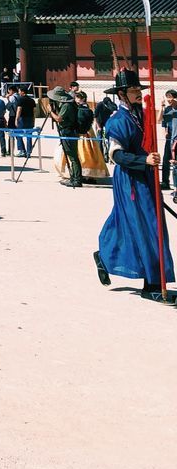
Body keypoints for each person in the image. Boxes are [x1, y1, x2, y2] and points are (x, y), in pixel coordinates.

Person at [94, 69, 174, 302]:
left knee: (140, 225)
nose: (139, 93)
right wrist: (143, 160)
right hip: (129, 179)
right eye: (134, 90)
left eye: (139, 89)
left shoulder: (140, 114)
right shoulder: (117, 120)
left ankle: (105, 255)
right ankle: (151, 286)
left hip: (146, 176)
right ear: (122, 94)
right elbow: (116, 155)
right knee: (146, 227)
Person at [49, 86, 81, 187]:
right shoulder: (66, 104)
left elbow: (59, 119)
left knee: (72, 156)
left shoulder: (67, 105)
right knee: (71, 155)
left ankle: (76, 179)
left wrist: (51, 111)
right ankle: (74, 177)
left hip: (68, 131)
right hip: (67, 131)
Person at [74, 90, 107, 180]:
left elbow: (82, 121)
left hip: (84, 133)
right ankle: (88, 175)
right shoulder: (86, 108)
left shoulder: (82, 109)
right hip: (89, 131)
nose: (76, 99)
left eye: (77, 98)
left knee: (85, 154)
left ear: (83, 99)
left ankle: (86, 175)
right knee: (91, 153)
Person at [160, 90, 177, 202]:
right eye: (167, 97)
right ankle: (165, 182)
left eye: (170, 97)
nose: (169, 100)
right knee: (166, 159)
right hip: (169, 137)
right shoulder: (167, 109)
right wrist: (165, 130)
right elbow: (163, 121)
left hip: (176, 137)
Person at [13, 85, 37, 158]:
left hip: (22, 119)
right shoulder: (32, 100)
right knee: (29, 136)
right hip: (30, 119)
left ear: (22, 92)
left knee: (18, 134)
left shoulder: (20, 99)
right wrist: (34, 120)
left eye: (19, 91)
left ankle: (22, 150)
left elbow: (19, 110)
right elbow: (34, 111)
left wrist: (16, 119)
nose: (19, 92)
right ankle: (29, 152)